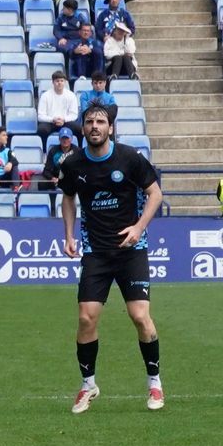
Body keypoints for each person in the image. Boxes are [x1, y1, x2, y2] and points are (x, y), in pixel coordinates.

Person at [59, 102, 164, 413]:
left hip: (131, 250)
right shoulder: (73, 164)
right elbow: (67, 197)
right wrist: (68, 235)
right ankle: (88, 385)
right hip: (95, 252)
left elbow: (154, 193)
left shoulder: (130, 158)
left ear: (110, 128)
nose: (95, 126)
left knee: (140, 317)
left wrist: (139, 227)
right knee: (86, 317)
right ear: (83, 128)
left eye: (100, 121)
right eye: (89, 121)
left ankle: (154, 383)